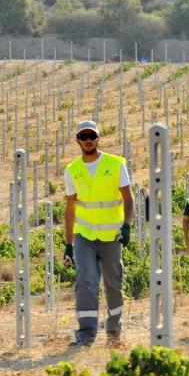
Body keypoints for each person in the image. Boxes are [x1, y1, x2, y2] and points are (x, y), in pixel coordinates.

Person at [63, 120, 134, 347]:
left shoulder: (115, 164)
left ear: (98, 138)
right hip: (84, 235)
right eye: (83, 137)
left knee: (114, 284)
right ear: (77, 141)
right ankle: (85, 335)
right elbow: (70, 207)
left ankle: (114, 331)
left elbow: (128, 198)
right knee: (85, 280)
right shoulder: (72, 170)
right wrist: (68, 244)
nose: (88, 140)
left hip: (111, 236)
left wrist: (126, 225)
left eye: (91, 136)